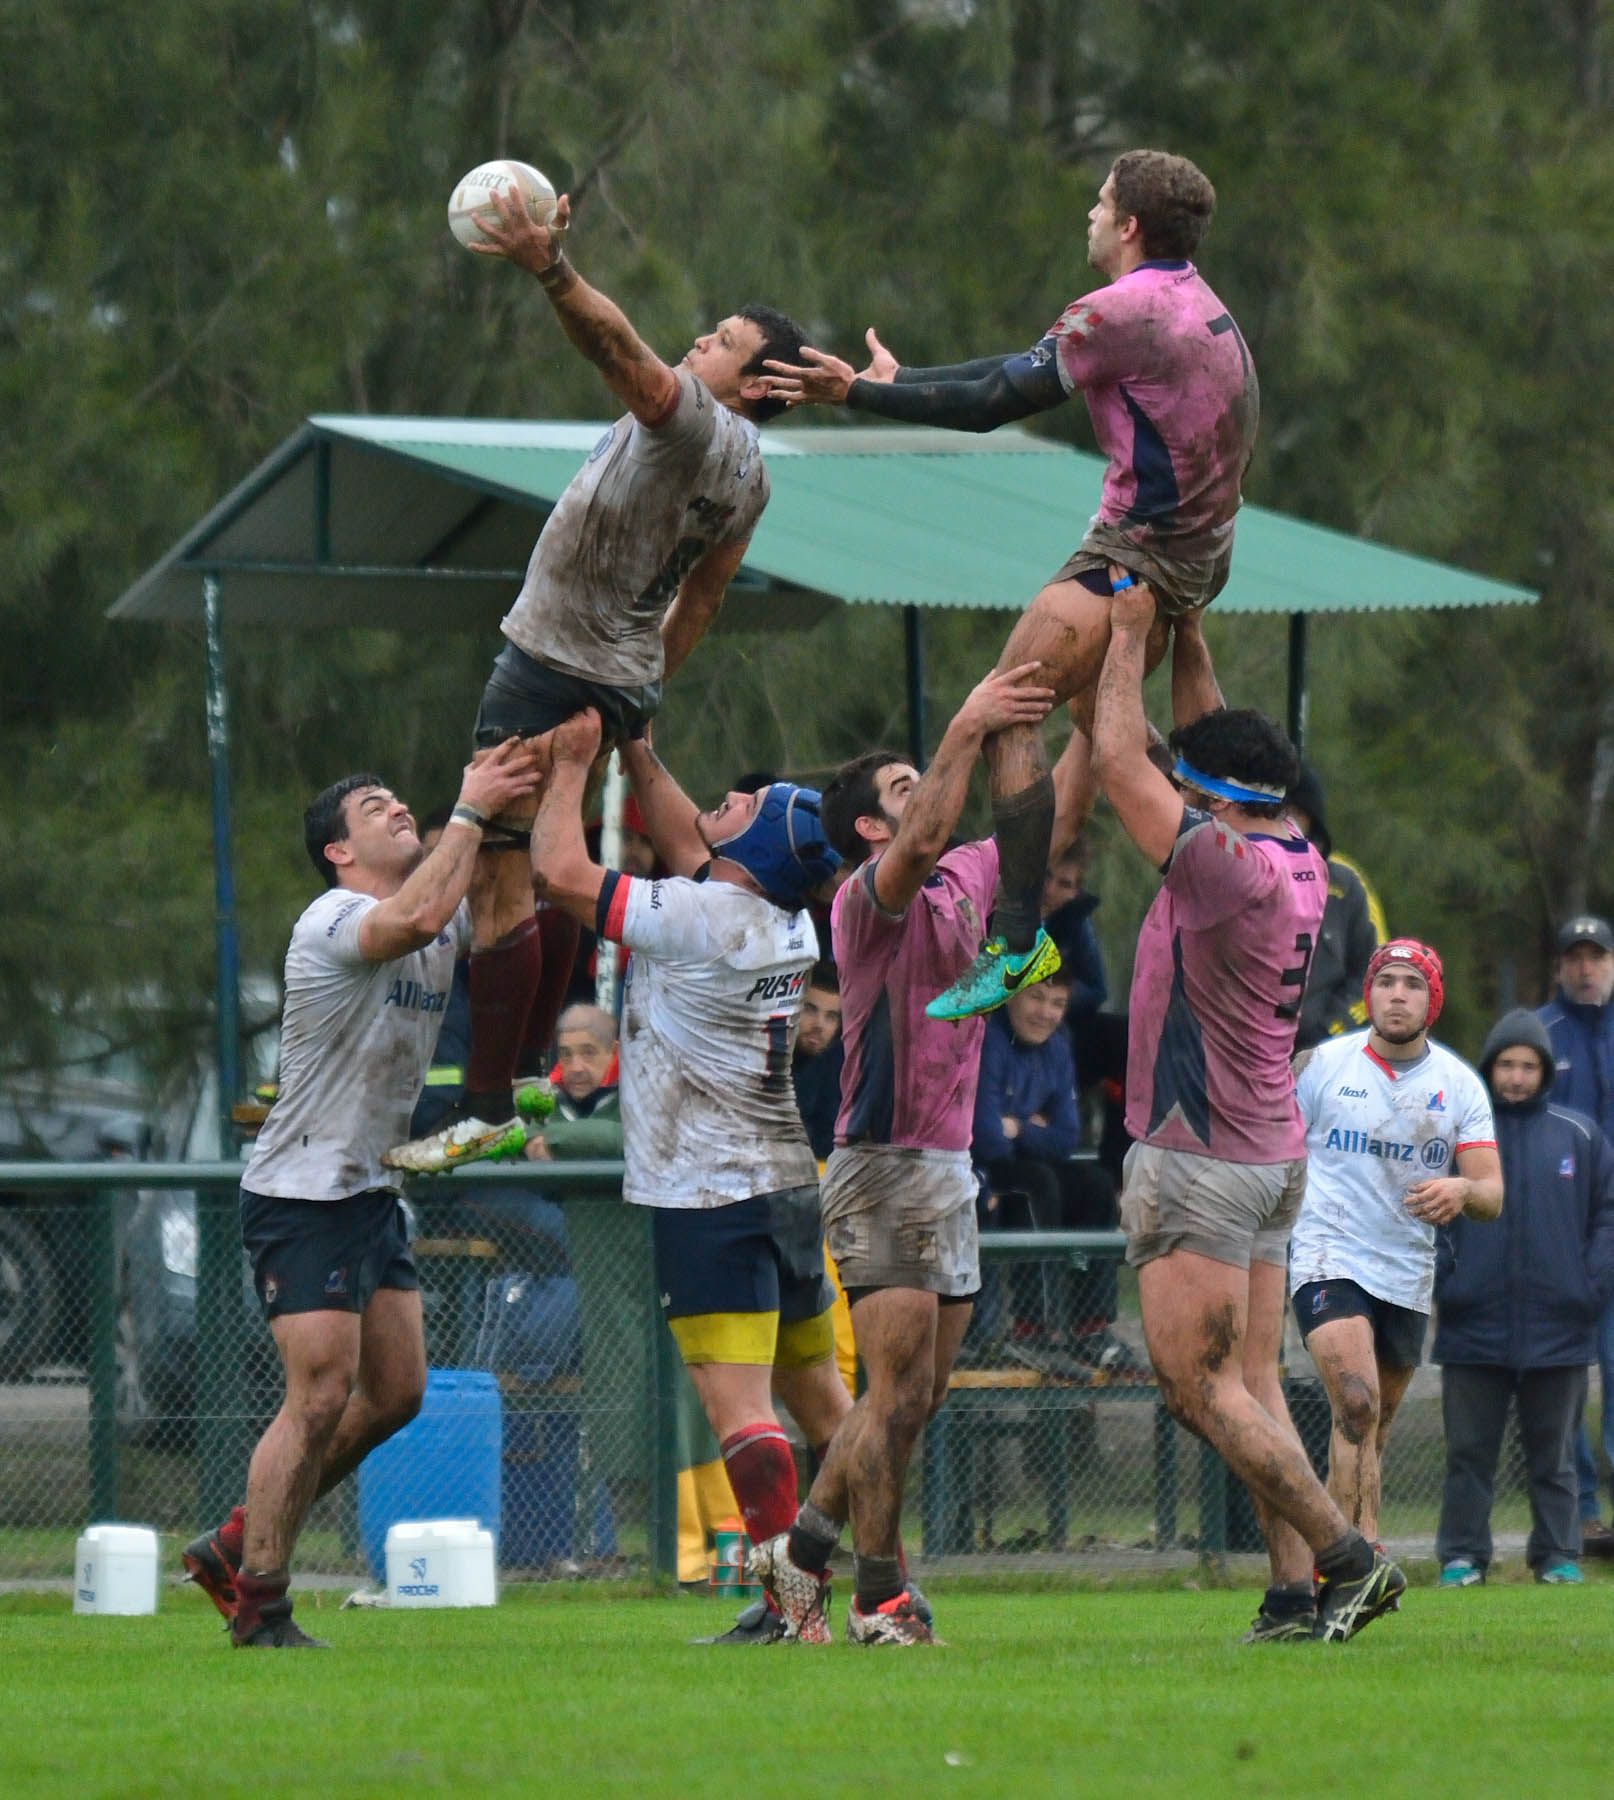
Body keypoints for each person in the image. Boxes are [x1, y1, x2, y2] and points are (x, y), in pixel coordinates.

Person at [763, 150, 1258, 1023]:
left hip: (1136, 553)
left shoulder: (1121, 308)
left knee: (1005, 707)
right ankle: (1209, 829)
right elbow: (1023, 366)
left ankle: (1021, 935)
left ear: (1130, 225)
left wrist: (856, 396)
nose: (1092, 216)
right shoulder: (1199, 303)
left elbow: (994, 399)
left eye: (1102, 203)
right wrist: (898, 380)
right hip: (1200, 553)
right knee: (1091, 721)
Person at [386, 181, 809, 1174]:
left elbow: (619, 352)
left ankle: (487, 1104)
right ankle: (529, 1068)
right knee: (544, 889)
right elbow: (700, 600)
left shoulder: (699, 423)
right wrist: (636, 692)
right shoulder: (754, 476)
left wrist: (549, 265)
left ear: (756, 385)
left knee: (498, 889)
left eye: (719, 341)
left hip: (548, 667)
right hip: (611, 677)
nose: (697, 345)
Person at [753, 663, 1109, 1646]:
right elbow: (918, 836)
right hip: (882, 1161)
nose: (931, 797)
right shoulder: (867, 898)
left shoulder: (976, 875)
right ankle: (878, 1599)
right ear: (870, 826)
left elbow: (1058, 808)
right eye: (906, 788)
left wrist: (1101, 693)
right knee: (895, 1394)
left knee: (918, 1399)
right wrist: (966, 726)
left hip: (948, 1168)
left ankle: (799, 1557)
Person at [1092, 571, 1406, 1645]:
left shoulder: (1223, 868)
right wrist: (1189, 631)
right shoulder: (1296, 851)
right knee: (1255, 1379)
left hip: (1201, 1151)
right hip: (1270, 1151)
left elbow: (1115, 760)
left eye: (1195, 786)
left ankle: (1348, 1558)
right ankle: (1292, 1594)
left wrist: (1126, 632)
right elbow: (1198, 741)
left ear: (1213, 801)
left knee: (1198, 1386)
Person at [180, 742, 541, 1647]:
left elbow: (501, 908)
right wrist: (468, 809)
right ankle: (261, 1602)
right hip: (301, 1191)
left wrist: (527, 795)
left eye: (395, 797)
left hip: (370, 1189)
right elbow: (417, 920)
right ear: (339, 852)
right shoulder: (334, 917)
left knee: (399, 1392)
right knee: (319, 1394)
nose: (395, 808)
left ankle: (235, 1538)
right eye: (372, 807)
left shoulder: (432, 907)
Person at [525, 706, 856, 1646]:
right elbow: (689, 837)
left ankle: (795, 1612)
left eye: (747, 802)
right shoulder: (781, 918)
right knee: (826, 1406)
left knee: (739, 1409)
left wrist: (571, 767)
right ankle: (885, 1591)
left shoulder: (699, 914)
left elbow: (556, 873)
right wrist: (635, 738)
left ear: (753, 846)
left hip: (706, 1193)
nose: (729, 799)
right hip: (785, 1179)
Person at [1288, 939, 1503, 1582]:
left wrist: (1463, 1190)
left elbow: (1492, 1194)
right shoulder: (1322, 1066)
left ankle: (1328, 1572)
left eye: (1412, 984)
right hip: (1328, 1253)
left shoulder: (1458, 1085)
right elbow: (1270, 1151)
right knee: (1355, 1404)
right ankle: (1366, 1557)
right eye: (1387, 982)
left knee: (1366, 1433)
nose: (1398, 994)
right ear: (1368, 994)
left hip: (1406, 1271)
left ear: (1431, 1000)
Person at [1433, 1009, 1614, 1586]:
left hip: (1559, 1327)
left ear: (1544, 1071)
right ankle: (1463, 1557)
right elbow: (1429, 1217)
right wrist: (1448, 1284)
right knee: (1468, 1456)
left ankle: (1558, 1556)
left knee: (1555, 1457)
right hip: (1472, 1325)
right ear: (1490, 1068)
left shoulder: (1580, 1136)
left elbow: (1607, 1218)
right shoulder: (1460, 1136)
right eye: (1506, 1064)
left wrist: (1585, 1287)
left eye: (1527, 1065)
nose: (1515, 1076)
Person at [971, 970, 1133, 1374]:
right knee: (1035, 1183)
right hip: (983, 1175)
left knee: (1095, 1184)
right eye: (1036, 999)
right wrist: (1027, 1128)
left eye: (1057, 1004)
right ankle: (1032, 1329)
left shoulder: (1058, 1048)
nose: (1045, 1013)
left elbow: (1066, 1136)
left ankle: (1091, 1328)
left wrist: (1018, 1126)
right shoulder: (989, 1040)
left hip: (1027, 1160)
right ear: (1012, 998)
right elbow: (987, 1137)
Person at [1537, 913, 1614, 1553]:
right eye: (1576, 957)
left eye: (1597, 957)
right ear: (1561, 966)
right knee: (1564, 1377)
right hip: (1563, 1233)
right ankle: (1582, 1511)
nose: (1586, 968)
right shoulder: (1539, 1034)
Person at [1284, 764, 1387, 1051]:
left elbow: (1375, 973)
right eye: (1276, 811)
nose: (1285, 821)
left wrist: (1328, 1032)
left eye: (1294, 812)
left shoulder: (1346, 885)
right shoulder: (1240, 876)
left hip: (1330, 1052)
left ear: (1312, 818)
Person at [792, 962, 845, 1164]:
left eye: (831, 1017)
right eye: (810, 1009)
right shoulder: (760, 1055)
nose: (819, 1025)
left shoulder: (835, 1064)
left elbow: (831, 1138)